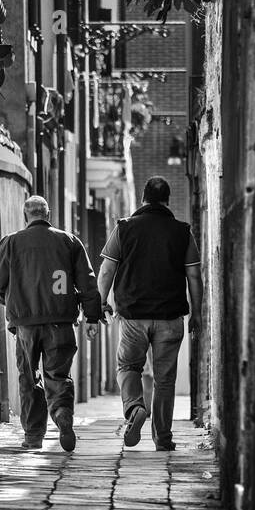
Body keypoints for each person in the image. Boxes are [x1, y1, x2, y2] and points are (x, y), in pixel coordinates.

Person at [96, 177, 203, 450]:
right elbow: (194, 276)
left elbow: (107, 271)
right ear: (167, 200)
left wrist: (100, 303)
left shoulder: (124, 229)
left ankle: (134, 409)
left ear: (143, 199)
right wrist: (198, 314)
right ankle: (163, 439)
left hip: (133, 316)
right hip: (170, 317)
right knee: (164, 379)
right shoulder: (183, 232)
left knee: (129, 366)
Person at [0, 195, 102, 452]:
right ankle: (62, 414)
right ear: (48, 214)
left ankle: (33, 436)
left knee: (29, 378)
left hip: (26, 323)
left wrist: (12, 303)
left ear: (25, 215)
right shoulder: (69, 241)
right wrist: (92, 316)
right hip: (60, 323)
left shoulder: (10, 243)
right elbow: (87, 281)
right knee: (58, 375)